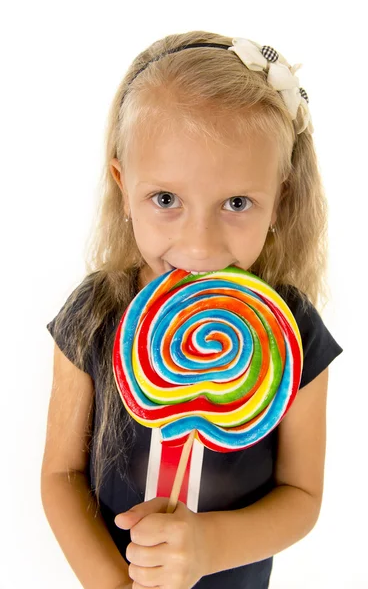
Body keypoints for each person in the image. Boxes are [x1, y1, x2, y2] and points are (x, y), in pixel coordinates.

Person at [41, 30, 343, 589]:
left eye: (236, 203)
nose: (200, 247)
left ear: (279, 198)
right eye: (165, 200)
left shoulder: (292, 331)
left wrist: (208, 547)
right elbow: (61, 475)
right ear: (122, 187)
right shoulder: (93, 315)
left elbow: (301, 497)